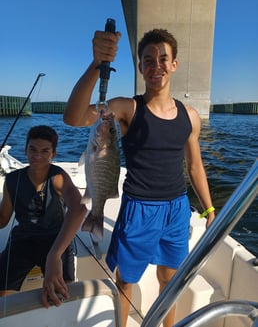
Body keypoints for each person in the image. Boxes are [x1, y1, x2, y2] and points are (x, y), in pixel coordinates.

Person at [42, 28, 215, 326]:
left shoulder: (190, 116)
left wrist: (210, 209)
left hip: (177, 209)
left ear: (174, 64)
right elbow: (73, 117)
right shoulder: (127, 108)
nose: (156, 65)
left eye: (163, 58)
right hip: (139, 210)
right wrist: (97, 64)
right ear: (140, 67)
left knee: (169, 278)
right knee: (126, 281)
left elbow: (195, 166)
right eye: (148, 60)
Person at [0, 125, 87, 297]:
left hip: (56, 240)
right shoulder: (11, 180)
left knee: (62, 293)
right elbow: (2, 220)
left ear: (53, 154)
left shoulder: (58, 177)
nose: (37, 156)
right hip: (22, 240)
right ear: (25, 150)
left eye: (45, 151)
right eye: (32, 149)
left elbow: (79, 207)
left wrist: (55, 254)